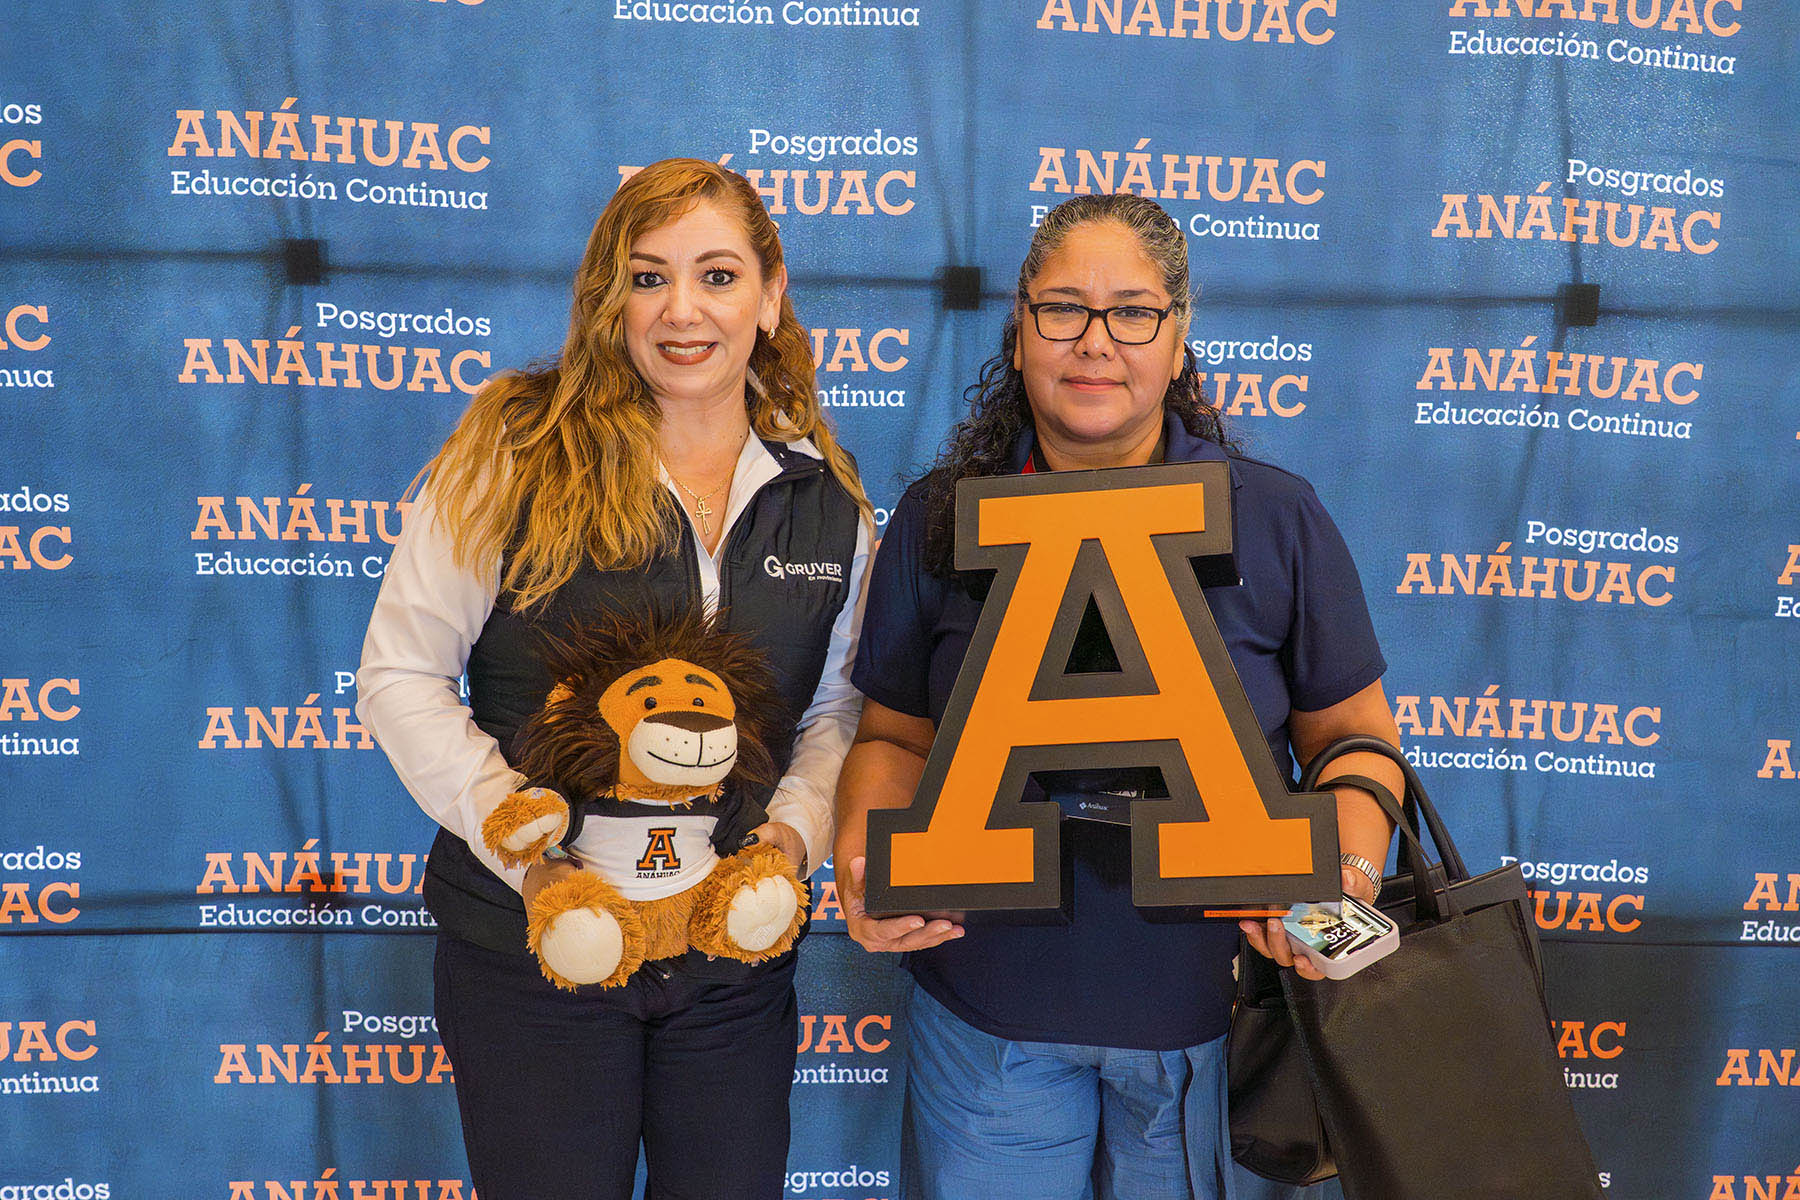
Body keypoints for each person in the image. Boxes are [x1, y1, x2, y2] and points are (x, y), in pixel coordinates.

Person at [834, 192, 1403, 1200]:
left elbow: (1355, 736)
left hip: (1209, 1021)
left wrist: (1344, 876)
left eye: (1133, 312)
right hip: (986, 1013)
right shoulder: (936, 518)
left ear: (1178, 342)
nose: (1096, 342)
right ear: (1020, 333)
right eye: (1064, 310)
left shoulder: (1274, 517)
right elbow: (890, 734)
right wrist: (863, 853)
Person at [356, 158, 871, 1200]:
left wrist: (786, 843)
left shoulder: (827, 504)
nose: (683, 311)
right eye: (648, 278)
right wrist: (528, 846)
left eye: (718, 276)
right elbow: (400, 674)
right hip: (533, 956)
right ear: (609, 301)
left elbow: (835, 712)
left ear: (771, 298)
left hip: (729, 969)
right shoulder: (516, 452)